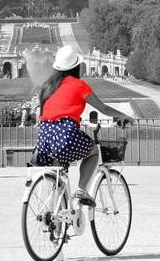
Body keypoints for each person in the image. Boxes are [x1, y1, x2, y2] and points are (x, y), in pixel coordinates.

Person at [35, 45, 134, 206]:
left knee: (58, 177)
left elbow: (43, 114)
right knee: (93, 152)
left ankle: (56, 221)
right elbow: (103, 108)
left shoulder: (47, 86)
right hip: (65, 132)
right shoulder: (79, 85)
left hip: (44, 136)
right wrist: (125, 116)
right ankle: (82, 189)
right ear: (76, 66)